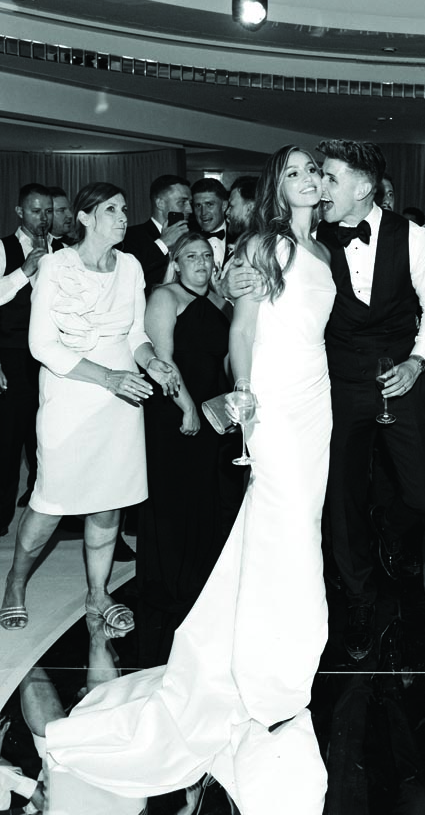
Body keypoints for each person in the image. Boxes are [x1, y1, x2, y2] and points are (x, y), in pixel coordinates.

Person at [43, 146, 335, 815]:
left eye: (312, 171)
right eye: (291, 172)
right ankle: (267, 658)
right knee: (281, 519)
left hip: (316, 401)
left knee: (301, 524)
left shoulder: (321, 252)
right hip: (277, 403)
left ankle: (289, 638)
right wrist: (244, 393)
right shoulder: (265, 243)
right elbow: (241, 331)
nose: (305, 180)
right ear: (277, 186)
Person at [0, 182, 179, 632]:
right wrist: (108, 378)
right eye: (113, 210)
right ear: (84, 217)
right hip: (71, 394)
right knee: (50, 500)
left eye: (124, 209)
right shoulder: (56, 265)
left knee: (108, 502)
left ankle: (98, 594)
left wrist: (152, 362)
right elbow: (41, 344)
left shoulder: (133, 265)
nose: (123, 217)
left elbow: (135, 334)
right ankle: (15, 584)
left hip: (123, 400)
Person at [317, 139, 425, 661]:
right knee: (343, 502)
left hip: (401, 374)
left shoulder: (412, 236)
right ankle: (360, 598)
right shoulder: (311, 239)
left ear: (363, 188)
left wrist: (417, 362)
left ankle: (393, 533)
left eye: (330, 178)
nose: (320, 187)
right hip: (340, 380)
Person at [137, 232, 231, 666]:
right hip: (175, 410)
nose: (199, 262)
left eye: (206, 256)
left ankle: (202, 581)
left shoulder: (219, 300)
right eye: (190, 256)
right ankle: (171, 584)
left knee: (207, 496)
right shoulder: (164, 296)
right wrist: (187, 407)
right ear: (175, 263)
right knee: (175, 499)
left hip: (215, 411)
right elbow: (163, 359)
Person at [0, 184, 51, 536]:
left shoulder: (61, 249)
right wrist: (25, 271)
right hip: (12, 355)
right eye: (36, 211)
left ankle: (46, 507)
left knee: (46, 437)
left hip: (49, 356)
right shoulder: (2, 248)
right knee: (7, 440)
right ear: (20, 212)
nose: (43, 218)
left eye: (47, 211)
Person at [122, 175, 192, 292]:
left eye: (190, 202)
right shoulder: (130, 236)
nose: (190, 209)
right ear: (160, 203)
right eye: (182, 202)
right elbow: (127, 274)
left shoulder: (192, 237)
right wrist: (163, 244)